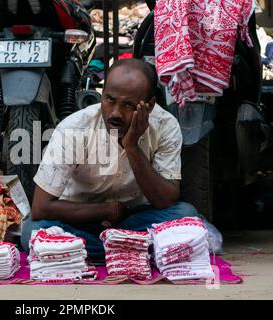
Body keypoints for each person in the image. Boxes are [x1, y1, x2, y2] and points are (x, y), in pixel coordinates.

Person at [21, 58, 198, 262]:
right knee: (33, 232)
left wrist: (131, 146)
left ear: (149, 106)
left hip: (133, 219)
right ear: (101, 95)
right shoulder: (74, 128)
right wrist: (106, 210)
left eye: (128, 105)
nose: (115, 113)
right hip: (78, 220)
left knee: (186, 214)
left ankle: (89, 251)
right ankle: (133, 250)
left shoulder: (166, 126)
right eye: (109, 99)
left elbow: (165, 200)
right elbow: (41, 208)